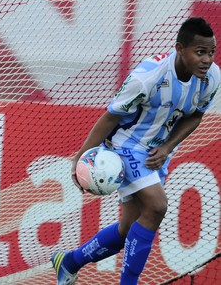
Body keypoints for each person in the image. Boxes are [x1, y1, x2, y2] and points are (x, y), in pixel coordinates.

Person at [51, 17, 219, 284]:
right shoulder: (148, 77)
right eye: (200, 52)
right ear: (179, 48)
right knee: (157, 206)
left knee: (127, 229)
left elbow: (195, 116)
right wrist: (81, 156)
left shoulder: (211, 79)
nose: (207, 60)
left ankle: (70, 261)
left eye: (211, 52)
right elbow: (110, 117)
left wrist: (167, 147)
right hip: (126, 146)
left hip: (157, 153)